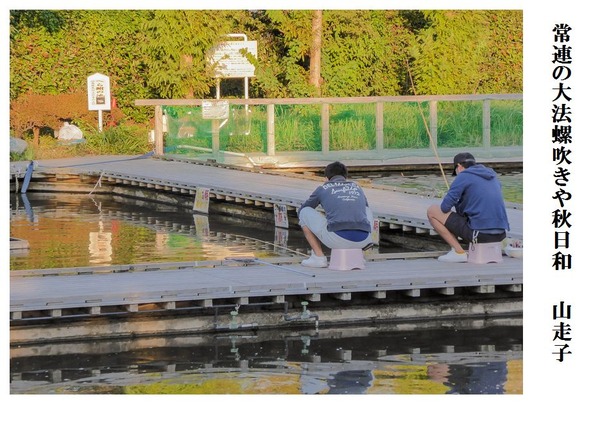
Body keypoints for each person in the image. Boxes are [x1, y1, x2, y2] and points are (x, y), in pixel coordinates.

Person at [427, 152, 510, 263]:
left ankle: (458, 252)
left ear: (459, 167)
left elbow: (445, 208)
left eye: (455, 171)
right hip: (501, 234)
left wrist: (454, 197)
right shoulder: (492, 175)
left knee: (433, 211)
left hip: (480, 234)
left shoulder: (463, 176)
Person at [298, 161, 374, 268]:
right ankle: (360, 255)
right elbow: (363, 209)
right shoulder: (357, 188)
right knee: (367, 210)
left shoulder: (323, 189)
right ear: (345, 177)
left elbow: (303, 209)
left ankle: (319, 257)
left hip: (337, 239)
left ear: (327, 178)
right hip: (364, 240)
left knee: (304, 212)